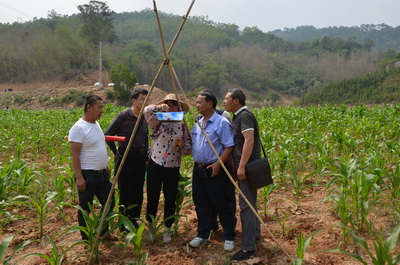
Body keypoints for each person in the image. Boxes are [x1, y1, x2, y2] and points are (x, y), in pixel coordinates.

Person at [189, 91, 236, 252]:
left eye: (199, 102)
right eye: (196, 102)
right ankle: (202, 233)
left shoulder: (221, 123)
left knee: (221, 202)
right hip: (199, 168)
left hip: (214, 168)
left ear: (210, 104)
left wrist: (218, 164)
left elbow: (229, 146)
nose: (196, 105)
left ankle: (229, 235)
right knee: (200, 202)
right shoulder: (198, 122)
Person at [143, 93, 192, 243]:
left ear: (178, 107)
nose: (170, 107)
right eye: (168, 104)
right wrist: (158, 107)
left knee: (170, 199)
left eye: (173, 104)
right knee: (152, 197)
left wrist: (181, 146)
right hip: (155, 163)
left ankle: (167, 231)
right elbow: (146, 111)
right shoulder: (157, 120)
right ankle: (151, 229)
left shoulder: (182, 125)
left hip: (173, 165)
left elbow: (189, 149)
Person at [68, 95, 116, 241]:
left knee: (109, 202)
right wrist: (80, 178)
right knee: (85, 208)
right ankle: (86, 238)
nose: (102, 110)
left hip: (102, 174)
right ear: (89, 107)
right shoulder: (78, 128)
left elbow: (98, 147)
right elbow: (75, 155)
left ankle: (103, 232)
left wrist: (105, 167)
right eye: (99, 107)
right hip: (87, 175)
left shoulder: (96, 124)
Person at [223, 88, 262, 261]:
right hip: (246, 166)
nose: (224, 101)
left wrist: (241, 166)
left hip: (247, 168)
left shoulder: (244, 116)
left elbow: (249, 140)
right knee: (250, 203)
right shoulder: (238, 116)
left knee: (246, 206)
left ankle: (248, 248)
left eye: (226, 98)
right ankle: (255, 234)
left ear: (236, 101)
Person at [105, 88, 149, 231]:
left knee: (137, 190)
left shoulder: (143, 117)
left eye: (146, 99)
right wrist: (116, 152)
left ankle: (134, 220)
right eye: (141, 99)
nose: (144, 102)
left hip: (140, 157)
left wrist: (146, 158)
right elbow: (108, 135)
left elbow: (145, 138)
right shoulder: (124, 116)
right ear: (134, 100)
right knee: (125, 191)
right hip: (126, 156)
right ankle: (124, 224)